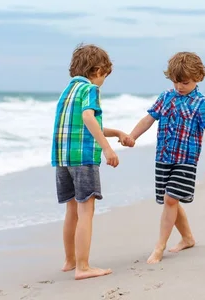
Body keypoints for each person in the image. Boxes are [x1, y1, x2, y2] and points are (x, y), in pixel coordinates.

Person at [128, 51, 205, 264]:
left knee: (171, 199)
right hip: (163, 157)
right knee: (171, 199)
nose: (179, 87)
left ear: (198, 77)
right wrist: (132, 136)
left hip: (186, 159)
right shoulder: (166, 97)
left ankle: (159, 248)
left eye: (185, 82)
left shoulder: (201, 103)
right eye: (176, 82)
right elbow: (149, 119)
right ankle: (188, 238)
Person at [51, 43, 134, 280]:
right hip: (84, 158)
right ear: (98, 70)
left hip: (62, 158)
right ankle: (83, 267)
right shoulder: (90, 90)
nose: (103, 81)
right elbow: (89, 117)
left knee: (72, 210)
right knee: (86, 209)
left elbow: (84, 125)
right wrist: (107, 149)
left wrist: (116, 132)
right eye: (105, 76)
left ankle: (69, 261)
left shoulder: (67, 90)